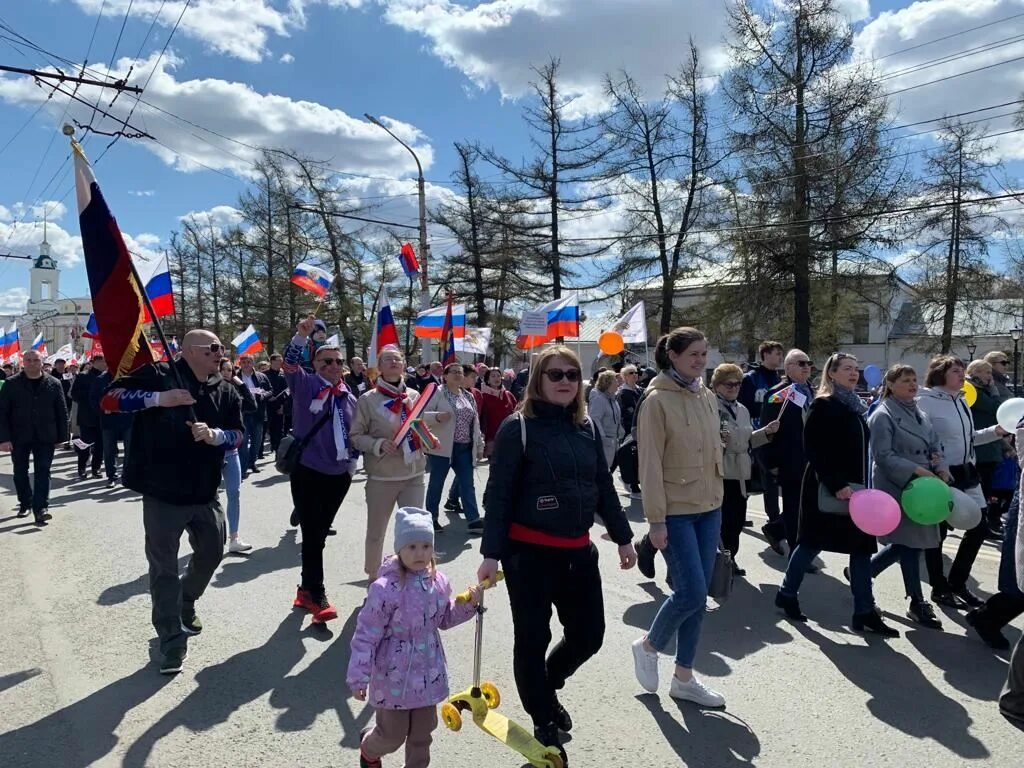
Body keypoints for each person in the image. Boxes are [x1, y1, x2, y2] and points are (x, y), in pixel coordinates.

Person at [480, 345, 635, 765]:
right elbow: (499, 495)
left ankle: (546, 684)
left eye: (572, 374)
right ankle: (542, 715)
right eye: (555, 374)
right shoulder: (519, 428)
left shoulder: (586, 427)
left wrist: (623, 537)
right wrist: (491, 554)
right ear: (538, 381)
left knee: (590, 635)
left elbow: (603, 485)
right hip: (527, 555)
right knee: (533, 639)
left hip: (578, 553)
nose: (565, 381)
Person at [101, 330, 244, 674]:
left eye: (221, 348)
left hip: (205, 492)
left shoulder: (224, 390)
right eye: (212, 348)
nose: (219, 354)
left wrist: (216, 436)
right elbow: (109, 400)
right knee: (163, 568)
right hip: (162, 492)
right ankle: (170, 640)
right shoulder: (159, 375)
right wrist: (158, 399)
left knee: (212, 551)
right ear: (190, 351)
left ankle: (187, 601)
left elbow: (239, 435)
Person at [631, 328, 727, 707]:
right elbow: (650, 464)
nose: (700, 360)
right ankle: (649, 644)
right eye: (693, 354)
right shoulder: (656, 400)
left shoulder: (705, 394)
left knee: (699, 597)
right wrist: (656, 520)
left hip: (710, 507)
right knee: (689, 592)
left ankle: (684, 677)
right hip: (676, 512)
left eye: (704, 353)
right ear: (672, 355)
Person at [774, 353, 899, 637]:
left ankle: (864, 611)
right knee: (809, 545)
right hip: (827, 487)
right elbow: (815, 449)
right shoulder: (823, 404)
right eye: (847, 369)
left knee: (862, 549)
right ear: (832, 374)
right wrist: (836, 483)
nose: (854, 373)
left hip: (857, 490)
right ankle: (786, 594)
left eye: (856, 369)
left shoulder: (856, 406)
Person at [348, 507, 481, 768]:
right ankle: (369, 748)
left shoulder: (438, 582)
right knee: (391, 735)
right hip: (393, 677)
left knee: (422, 736)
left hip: (428, 673)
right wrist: (359, 675)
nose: (419, 553)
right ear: (399, 549)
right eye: (411, 546)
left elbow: (444, 618)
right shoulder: (386, 589)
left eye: (425, 546)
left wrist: (467, 605)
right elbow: (366, 633)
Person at [917, 355, 1007, 609]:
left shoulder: (962, 400)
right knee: (938, 533)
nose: (962, 376)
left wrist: (995, 432)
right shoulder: (925, 401)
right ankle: (939, 587)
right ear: (940, 374)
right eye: (956, 371)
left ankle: (957, 582)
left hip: (967, 472)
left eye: (963, 371)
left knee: (978, 527)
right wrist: (934, 467)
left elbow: (970, 438)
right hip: (939, 474)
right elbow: (921, 439)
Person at [283, 316, 357, 622]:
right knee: (313, 534)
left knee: (318, 535)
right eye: (326, 361)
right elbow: (289, 365)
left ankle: (304, 589)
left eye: (337, 361)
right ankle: (317, 594)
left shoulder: (349, 395)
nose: (333, 365)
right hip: (309, 469)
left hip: (339, 475)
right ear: (315, 363)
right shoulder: (306, 383)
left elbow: (358, 431)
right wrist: (300, 337)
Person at [867, 364, 948, 629]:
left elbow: (935, 444)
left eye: (914, 379)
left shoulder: (921, 413)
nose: (913, 384)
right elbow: (883, 455)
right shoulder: (883, 414)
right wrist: (918, 470)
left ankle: (863, 572)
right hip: (898, 485)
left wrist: (941, 466)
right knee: (909, 543)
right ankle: (916, 601)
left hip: (924, 486)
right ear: (891, 384)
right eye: (906, 380)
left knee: (910, 543)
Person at [351, 347, 432, 579]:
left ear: (404, 364)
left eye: (398, 358)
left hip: (413, 474)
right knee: (376, 532)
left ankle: (415, 578)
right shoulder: (368, 399)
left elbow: (419, 425)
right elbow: (356, 436)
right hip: (382, 476)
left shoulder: (415, 396)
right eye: (388, 359)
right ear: (379, 367)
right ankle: (374, 578)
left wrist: (428, 438)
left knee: (416, 531)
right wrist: (378, 444)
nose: (394, 362)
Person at [714, 363, 778, 577]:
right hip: (722, 472)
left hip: (742, 472)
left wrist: (766, 433)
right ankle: (722, 560)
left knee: (737, 520)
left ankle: (730, 558)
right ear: (717, 385)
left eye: (738, 383)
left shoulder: (742, 409)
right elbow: (724, 440)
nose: (734, 387)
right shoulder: (713, 407)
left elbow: (747, 440)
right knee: (724, 521)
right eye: (728, 384)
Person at [0, 349, 68, 525]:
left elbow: (61, 411)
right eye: (28, 360)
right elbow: (2, 413)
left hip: (45, 436)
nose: (31, 363)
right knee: (20, 472)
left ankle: (41, 508)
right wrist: (4, 439)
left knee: (43, 471)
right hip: (19, 436)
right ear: (23, 362)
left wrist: (62, 436)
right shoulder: (11, 383)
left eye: (35, 360)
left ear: (42, 362)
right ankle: (25, 502)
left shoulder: (53, 383)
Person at [760, 348, 814, 557]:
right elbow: (767, 433)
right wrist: (770, 464)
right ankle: (796, 553)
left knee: (806, 506)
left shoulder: (810, 391)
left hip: (809, 460)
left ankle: (776, 528)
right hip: (789, 460)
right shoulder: (777, 394)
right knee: (794, 508)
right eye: (802, 363)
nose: (807, 368)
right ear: (788, 367)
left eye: (809, 364)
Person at [424, 362, 484, 532]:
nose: (458, 374)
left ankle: (473, 519)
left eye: (460, 372)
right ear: (445, 375)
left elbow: (476, 423)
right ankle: (431, 519)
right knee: (436, 484)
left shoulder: (468, 396)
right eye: (453, 372)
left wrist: (479, 445)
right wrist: (437, 417)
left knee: (467, 483)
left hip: (464, 448)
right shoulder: (437, 392)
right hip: (442, 448)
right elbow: (420, 414)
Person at [739, 341, 784, 534]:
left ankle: (774, 520)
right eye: (776, 354)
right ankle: (772, 519)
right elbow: (744, 406)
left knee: (769, 478)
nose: (780, 358)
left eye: (782, 354)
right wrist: (767, 410)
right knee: (761, 477)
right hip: (757, 435)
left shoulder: (781, 380)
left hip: (778, 436)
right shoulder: (751, 379)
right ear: (765, 355)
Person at [967, 359, 1010, 535]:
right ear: (975, 372)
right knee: (983, 490)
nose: (989, 377)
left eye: (990, 373)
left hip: (990, 444)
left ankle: (983, 525)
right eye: (986, 372)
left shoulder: (980, 390)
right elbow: (998, 409)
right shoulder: (976, 392)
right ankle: (981, 526)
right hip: (982, 449)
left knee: (987, 489)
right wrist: (993, 390)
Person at [218, 359, 255, 553]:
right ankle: (211, 536)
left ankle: (234, 537)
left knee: (235, 494)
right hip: (211, 452)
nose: (226, 373)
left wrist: (239, 383)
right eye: (223, 369)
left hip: (231, 451)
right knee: (210, 497)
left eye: (229, 370)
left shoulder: (234, 390)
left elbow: (252, 404)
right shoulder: (208, 390)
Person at [90, 367, 132, 487]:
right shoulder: (100, 379)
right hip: (108, 420)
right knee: (109, 450)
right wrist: (103, 409)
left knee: (129, 449)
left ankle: (127, 475)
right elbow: (93, 399)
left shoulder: (129, 377)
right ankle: (111, 476)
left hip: (127, 419)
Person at [70, 354, 106, 479]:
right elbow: (74, 394)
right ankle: (82, 468)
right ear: (95, 362)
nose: (105, 364)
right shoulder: (83, 376)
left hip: (102, 416)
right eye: (102, 361)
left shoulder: (107, 377)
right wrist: (91, 393)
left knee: (100, 446)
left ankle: (96, 468)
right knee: (85, 445)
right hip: (86, 416)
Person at [237, 355, 271, 474]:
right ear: (240, 363)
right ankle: (244, 465)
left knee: (257, 441)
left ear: (253, 363)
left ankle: (252, 462)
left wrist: (262, 395)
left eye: (249, 362)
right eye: (244, 362)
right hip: (243, 414)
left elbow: (270, 391)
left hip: (258, 413)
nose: (246, 364)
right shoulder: (236, 377)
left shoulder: (261, 376)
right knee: (244, 441)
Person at [478, 366, 517, 459]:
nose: (497, 378)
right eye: (493, 376)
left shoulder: (508, 395)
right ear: (487, 380)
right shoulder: (482, 396)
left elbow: (516, 411)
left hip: (510, 436)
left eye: (498, 376)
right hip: (491, 438)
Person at [617, 364, 643, 499]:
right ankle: (633, 486)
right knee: (632, 457)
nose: (635, 375)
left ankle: (631, 479)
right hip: (629, 430)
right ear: (625, 377)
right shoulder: (623, 393)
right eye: (631, 373)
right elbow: (626, 413)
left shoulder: (640, 391)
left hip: (642, 429)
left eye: (636, 373)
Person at [588, 369, 622, 469]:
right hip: (604, 444)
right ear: (608, 383)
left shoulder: (613, 399)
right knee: (604, 471)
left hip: (613, 442)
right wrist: (602, 438)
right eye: (615, 381)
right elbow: (594, 419)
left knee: (610, 468)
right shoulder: (599, 399)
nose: (618, 383)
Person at [264, 353, 290, 454]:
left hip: (279, 405)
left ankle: (277, 449)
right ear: (271, 362)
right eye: (277, 361)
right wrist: (268, 397)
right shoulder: (265, 374)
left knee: (279, 429)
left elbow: (287, 391)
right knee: (267, 428)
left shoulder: (284, 375)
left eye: (281, 361)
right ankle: (263, 449)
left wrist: (283, 406)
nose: (280, 363)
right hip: (267, 405)